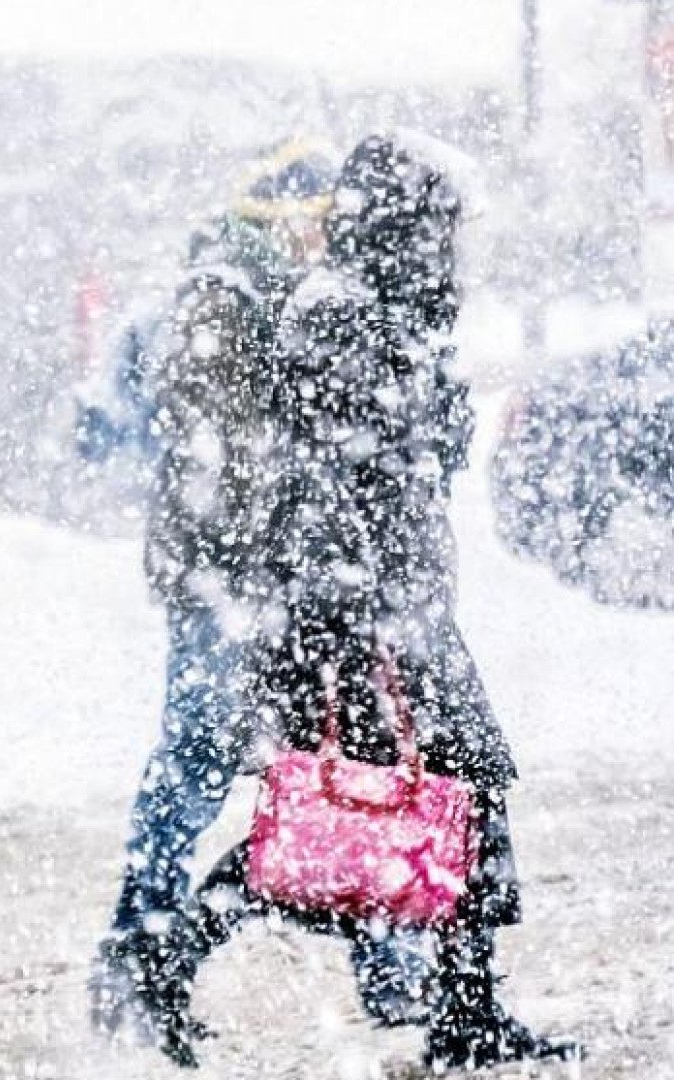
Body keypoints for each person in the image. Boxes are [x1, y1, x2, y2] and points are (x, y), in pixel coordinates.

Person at [126, 135, 580, 1071]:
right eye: (444, 227)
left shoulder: (383, 314)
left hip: (391, 612)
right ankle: (170, 966)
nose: (456, 250)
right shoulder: (342, 318)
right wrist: (352, 619)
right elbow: (327, 482)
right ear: (405, 227)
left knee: (425, 803)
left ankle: (464, 1008)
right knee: (344, 818)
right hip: (357, 623)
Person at [92, 139, 428, 1036]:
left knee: (352, 761)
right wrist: (282, 540)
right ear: (279, 220)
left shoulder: (290, 301)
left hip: (280, 582)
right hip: (231, 586)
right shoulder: (224, 299)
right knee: (200, 765)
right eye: (316, 221)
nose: (328, 239)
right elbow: (224, 462)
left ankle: (392, 966)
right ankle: (135, 956)